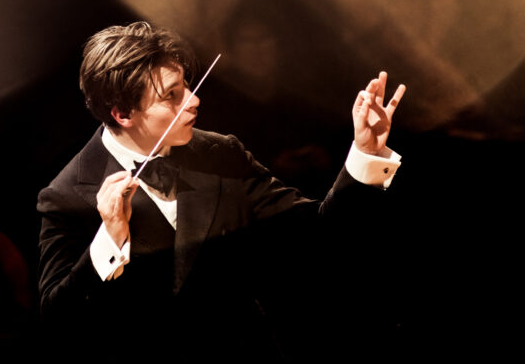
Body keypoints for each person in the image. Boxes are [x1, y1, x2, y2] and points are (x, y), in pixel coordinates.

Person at [36, 21, 406, 361]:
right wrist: (109, 241)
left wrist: (365, 154)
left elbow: (316, 233)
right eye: (171, 96)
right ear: (122, 114)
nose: (193, 100)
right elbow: (58, 325)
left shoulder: (220, 153)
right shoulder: (66, 196)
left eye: (186, 86)